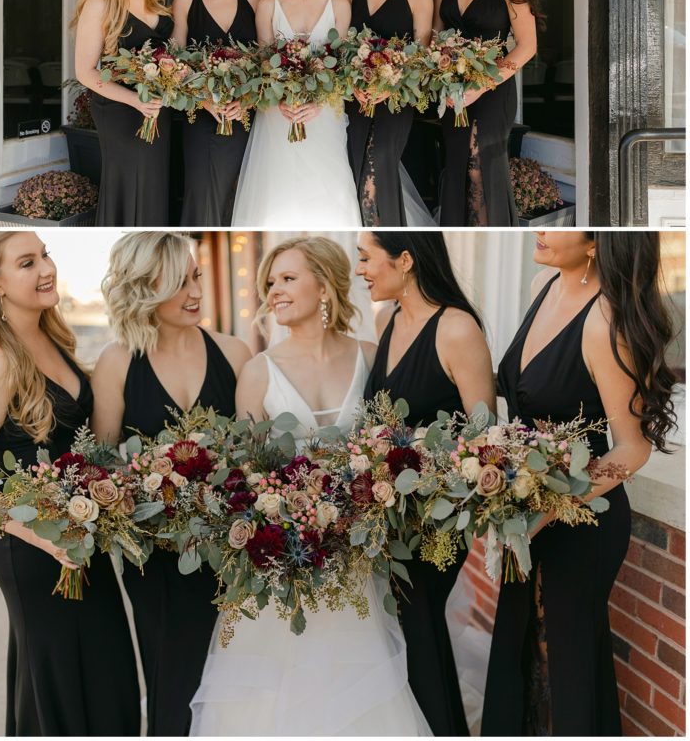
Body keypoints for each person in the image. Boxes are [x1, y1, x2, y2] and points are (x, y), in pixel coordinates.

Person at [190, 236, 430, 736]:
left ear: (324, 286)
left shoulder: (372, 357)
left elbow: (390, 446)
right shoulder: (258, 373)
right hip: (285, 566)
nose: (273, 290)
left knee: (355, 693)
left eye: (288, 278)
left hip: (354, 564)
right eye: (270, 282)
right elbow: (245, 478)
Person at [0, 231, 140, 737]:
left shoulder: (51, 335)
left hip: (73, 531)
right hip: (25, 540)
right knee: (60, 675)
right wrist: (46, 536)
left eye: (45, 254)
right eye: (26, 263)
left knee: (105, 666)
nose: (46, 268)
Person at [481, 231, 677, 736]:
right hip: (526, 514)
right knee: (521, 649)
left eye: (563, 227)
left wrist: (546, 508)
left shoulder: (605, 322)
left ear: (596, 244)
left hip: (581, 523)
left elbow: (632, 448)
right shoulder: (541, 286)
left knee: (562, 665)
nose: (541, 231)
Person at [91, 231, 250, 736]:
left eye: (197, 276)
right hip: (155, 560)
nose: (195, 292)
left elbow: (253, 459)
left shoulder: (235, 353)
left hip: (232, 553)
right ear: (144, 289)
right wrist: (147, 485)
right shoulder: (118, 362)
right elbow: (101, 463)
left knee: (237, 681)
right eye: (178, 283)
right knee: (174, 683)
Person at [355, 231, 496, 735]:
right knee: (405, 634)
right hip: (387, 516)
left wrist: (425, 472)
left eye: (366, 258)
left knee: (416, 625)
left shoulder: (456, 329)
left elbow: (484, 439)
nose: (360, 270)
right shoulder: (386, 320)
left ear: (407, 259)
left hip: (437, 520)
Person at [231, 0, 361, 227]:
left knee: (327, 193)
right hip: (278, 116)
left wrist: (318, 105)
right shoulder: (268, 6)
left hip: (324, 116)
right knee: (277, 195)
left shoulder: (339, 5)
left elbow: (340, 68)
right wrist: (278, 103)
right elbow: (264, 67)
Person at [433, 0, 542, 226]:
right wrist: (437, 66)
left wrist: (480, 87)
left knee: (482, 170)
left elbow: (527, 46)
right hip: (452, 87)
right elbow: (438, 31)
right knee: (457, 167)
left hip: (493, 91)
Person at [73, 0, 173, 226]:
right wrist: (135, 101)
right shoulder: (99, 3)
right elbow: (86, 72)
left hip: (157, 108)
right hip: (121, 110)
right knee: (130, 185)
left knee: (156, 186)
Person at [343, 0, 434, 226]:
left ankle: (386, 236)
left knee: (377, 168)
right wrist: (353, 83)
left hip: (395, 100)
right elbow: (342, 47)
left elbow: (421, 56)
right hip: (355, 99)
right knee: (355, 170)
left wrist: (388, 85)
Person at [171, 0, 260, 225]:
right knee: (202, 196)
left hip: (247, 121)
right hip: (200, 120)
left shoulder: (254, 1)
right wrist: (204, 99)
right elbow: (173, 64)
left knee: (242, 198)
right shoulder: (185, 2)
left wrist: (247, 101)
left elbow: (266, 66)